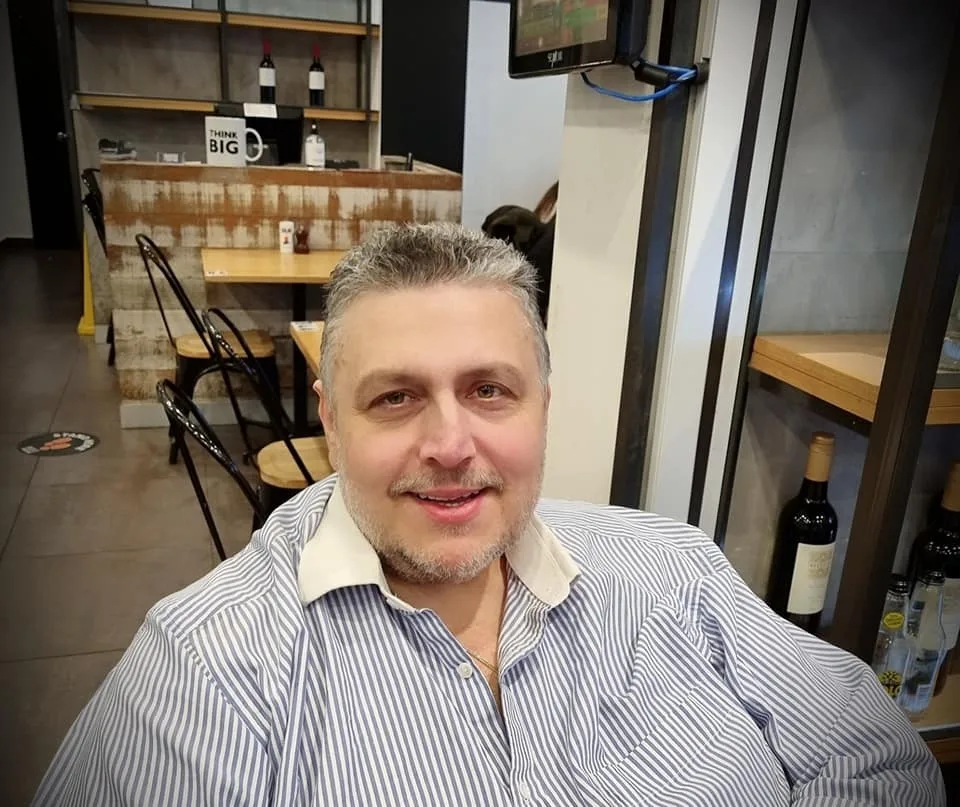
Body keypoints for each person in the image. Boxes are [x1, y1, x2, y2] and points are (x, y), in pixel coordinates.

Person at [35, 223, 943, 806]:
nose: (449, 443)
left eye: (489, 390)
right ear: (330, 419)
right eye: (395, 397)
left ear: (544, 405)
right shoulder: (207, 674)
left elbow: (880, 756)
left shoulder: (673, 567)